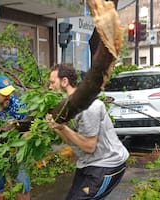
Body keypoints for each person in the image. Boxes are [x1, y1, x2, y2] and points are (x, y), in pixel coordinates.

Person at [47, 63, 129, 200]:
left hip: (107, 165)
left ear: (64, 81)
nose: (50, 87)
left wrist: (63, 127)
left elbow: (89, 146)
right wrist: (56, 127)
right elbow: (71, 140)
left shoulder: (88, 108)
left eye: (52, 82)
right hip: (88, 164)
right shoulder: (67, 107)